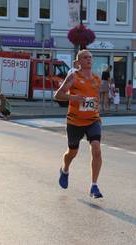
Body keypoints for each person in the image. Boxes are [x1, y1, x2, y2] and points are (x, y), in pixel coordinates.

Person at [54, 49, 104, 198]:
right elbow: (58, 95)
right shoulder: (73, 77)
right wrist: (73, 98)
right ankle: (65, 169)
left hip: (93, 120)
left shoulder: (96, 79)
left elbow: (94, 99)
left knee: (96, 149)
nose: (89, 59)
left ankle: (94, 186)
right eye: (85, 57)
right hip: (75, 121)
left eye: (90, 57)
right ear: (79, 61)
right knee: (72, 152)